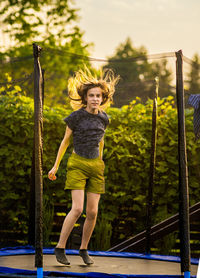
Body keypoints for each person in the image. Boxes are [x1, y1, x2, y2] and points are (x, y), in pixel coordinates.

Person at [48, 67, 119, 265]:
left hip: (96, 165)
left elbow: (101, 140)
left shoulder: (104, 118)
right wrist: (55, 166)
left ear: (102, 98)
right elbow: (65, 142)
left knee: (93, 212)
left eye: (98, 96)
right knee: (78, 209)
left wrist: (101, 160)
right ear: (85, 98)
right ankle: (60, 247)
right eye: (91, 95)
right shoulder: (75, 117)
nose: (95, 99)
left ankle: (83, 249)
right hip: (77, 163)